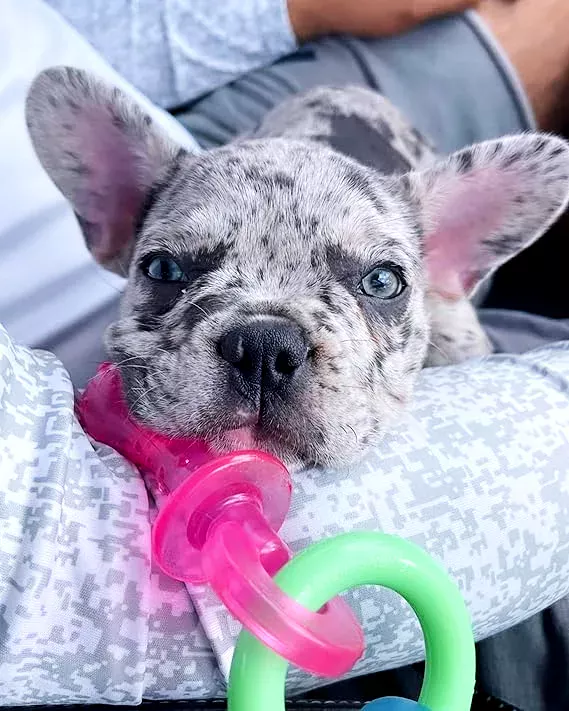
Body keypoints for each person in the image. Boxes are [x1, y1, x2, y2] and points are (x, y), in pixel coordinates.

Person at [1, 0, 569, 709]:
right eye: (174, 269)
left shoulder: (442, 305)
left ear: (446, 266)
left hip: (312, 133)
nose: (267, 355)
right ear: (115, 224)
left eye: (380, 280)